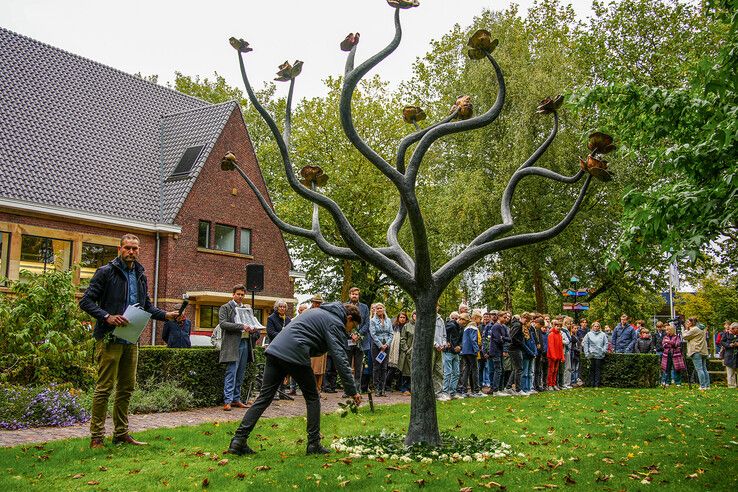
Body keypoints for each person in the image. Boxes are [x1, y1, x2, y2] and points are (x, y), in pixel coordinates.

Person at [79, 233, 180, 448]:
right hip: (109, 337)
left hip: (131, 338)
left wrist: (166, 315)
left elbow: (146, 306)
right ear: (120, 249)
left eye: (135, 248)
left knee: (127, 388)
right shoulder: (106, 272)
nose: (131, 252)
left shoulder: (141, 275)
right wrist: (107, 316)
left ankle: (121, 433)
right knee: (104, 388)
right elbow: (86, 301)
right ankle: (96, 436)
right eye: (127, 248)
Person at [227, 302, 363, 456]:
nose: (350, 330)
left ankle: (238, 440)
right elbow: (340, 358)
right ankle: (313, 444)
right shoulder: (335, 322)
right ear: (349, 318)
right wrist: (352, 390)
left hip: (275, 350)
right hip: (295, 354)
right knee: (312, 397)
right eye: (352, 326)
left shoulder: (317, 312)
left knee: (264, 397)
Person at [220, 285, 261, 411]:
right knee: (231, 372)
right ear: (233, 294)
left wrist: (253, 328)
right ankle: (227, 401)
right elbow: (223, 324)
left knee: (240, 373)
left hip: (244, 343)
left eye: (242, 294)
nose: (240, 296)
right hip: (232, 344)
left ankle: (236, 399)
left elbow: (250, 324)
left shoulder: (246, 309)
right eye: (238, 294)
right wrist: (241, 326)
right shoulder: (225, 307)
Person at [345, 287, 369, 396]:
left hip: (361, 341)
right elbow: (343, 322)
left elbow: (367, 324)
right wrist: (351, 334)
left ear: (358, 296)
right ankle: (348, 390)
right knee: (347, 367)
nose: (355, 296)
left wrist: (358, 335)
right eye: (353, 294)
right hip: (348, 340)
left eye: (356, 294)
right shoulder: (344, 306)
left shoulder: (364, 307)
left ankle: (357, 390)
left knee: (359, 368)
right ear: (350, 295)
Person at [369, 303, 393, 396]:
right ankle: (377, 389)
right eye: (377, 308)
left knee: (384, 367)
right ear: (375, 310)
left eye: (381, 308)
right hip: (376, 346)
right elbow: (373, 334)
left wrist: (386, 344)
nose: (379, 310)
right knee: (377, 367)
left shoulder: (389, 320)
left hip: (386, 346)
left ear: (384, 309)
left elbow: (391, 333)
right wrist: (380, 345)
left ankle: (382, 389)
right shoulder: (372, 321)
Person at [459, 312, 484, 397]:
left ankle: (464, 390)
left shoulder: (466, 327)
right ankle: (476, 391)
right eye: (480, 319)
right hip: (471, 350)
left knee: (467, 369)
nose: (480, 321)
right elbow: (473, 339)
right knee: (475, 369)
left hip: (465, 351)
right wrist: (477, 350)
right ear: (476, 318)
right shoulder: (473, 325)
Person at [682, 317, 710, 390]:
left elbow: (684, 336)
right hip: (703, 350)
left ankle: (702, 386)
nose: (686, 324)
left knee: (699, 369)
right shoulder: (701, 328)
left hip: (696, 350)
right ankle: (707, 385)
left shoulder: (694, 329)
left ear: (691, 323)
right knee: (704, 368)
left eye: (688, 322)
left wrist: (685, 329)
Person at [442, 311, 462, 399]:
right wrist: (445, 342)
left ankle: (452, 392)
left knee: (456, 373)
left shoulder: (461, 327)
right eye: (453, 318)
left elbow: (462, 339)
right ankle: (445, 392)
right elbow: (443, 333)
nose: (454, 320)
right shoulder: (450, 324)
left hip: (456, 352)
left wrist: (460, 347)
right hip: (448, 351)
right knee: (448, 372)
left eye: (456, 318)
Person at [582, 321, 608, 387]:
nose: (596, 327)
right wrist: (586, 353)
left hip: (599, 355)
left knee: (598, 370)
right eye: (595, 326)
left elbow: (606, 343)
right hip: (591, 354)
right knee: (591, 370)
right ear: (592, 327)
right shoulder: (588, 334)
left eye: (597, 326)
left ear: (599, 327)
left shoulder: (603, 334)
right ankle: (591, 384)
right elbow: (585, 344)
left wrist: (604, 350)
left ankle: (597, 384)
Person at [398, 311, 415, 395]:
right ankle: (404, 388)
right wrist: (406, 349)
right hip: (407, 352)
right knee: (406, 371)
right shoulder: (407, 326)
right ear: (412, 316)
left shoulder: (420, 325)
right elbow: (402, 339)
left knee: (414, 371)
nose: (416, 316)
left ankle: (412, 388)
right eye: (415, 314)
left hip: (416, 353)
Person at [432, 304, 447, 400]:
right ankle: (429, 393)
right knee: (430, 370)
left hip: (440, 349)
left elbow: (444, 334)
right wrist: (435, 344)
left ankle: (438, 393)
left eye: (437, 306)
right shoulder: (428, 318)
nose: (436, 307)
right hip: (432, 348)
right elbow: (428, 335)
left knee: (439, 370)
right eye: (435, 305)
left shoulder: (441, 320)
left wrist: (444, 343)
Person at [547, 319, 565, 391]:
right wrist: (553, 356)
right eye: (557, 326)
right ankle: (550, 384)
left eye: (560, 326)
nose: (558, 327)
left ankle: (554, 384)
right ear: (554, 326)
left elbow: (561, 347)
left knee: (556, 370)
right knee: (551, 370)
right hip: (552, 356)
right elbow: (551, 346)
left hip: (558, 356)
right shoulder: (551, 334)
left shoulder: (560, 335)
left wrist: (562, 357)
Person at [720, 322, 738, 388]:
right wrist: (729, 345)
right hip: (729, 355)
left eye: (733, 329)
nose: (731, 330)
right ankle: (731, 386)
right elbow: (722, 342)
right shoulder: (726, 333)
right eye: (731, 329)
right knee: (730, 372)